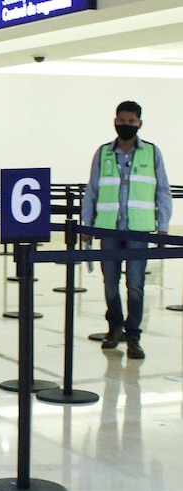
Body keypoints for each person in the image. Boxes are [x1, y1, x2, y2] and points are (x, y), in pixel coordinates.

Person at [80, 100, 172, 360]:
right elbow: (92, 191)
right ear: (114, 121)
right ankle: (114, 328)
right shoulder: (104, 153)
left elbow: (162, 191)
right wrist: (87, 224)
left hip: (138, 231)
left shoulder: (152, 153)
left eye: (131, 122)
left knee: (136, 286)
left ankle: (133, 336)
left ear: (140, 123)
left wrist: (162, 227)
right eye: (122, 120)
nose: (126, 125)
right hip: (109, 229)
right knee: (110, 284)